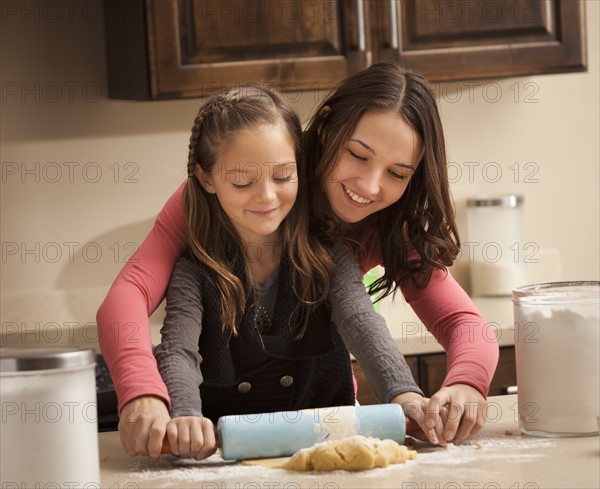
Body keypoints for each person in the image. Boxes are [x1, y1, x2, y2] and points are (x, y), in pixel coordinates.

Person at [97, 63, 499, 462]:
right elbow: (128, 295)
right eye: (358, 155)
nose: (370, 186)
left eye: (397, 173)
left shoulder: (388, 227)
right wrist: (144, 392)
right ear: (325, 128)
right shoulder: (225, 196)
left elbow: (455, 322)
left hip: (319, 424)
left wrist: (467, 383)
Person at [152, 84, 427, 460]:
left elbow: (362, 323)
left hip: (330, 450)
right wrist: (184, 414)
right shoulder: (194, 273)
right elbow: (178, 351)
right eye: (243, 182)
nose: (267, 196)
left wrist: (404, 393)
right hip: (227, 462)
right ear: (206, 178)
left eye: (283, 177)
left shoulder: (329, 258)